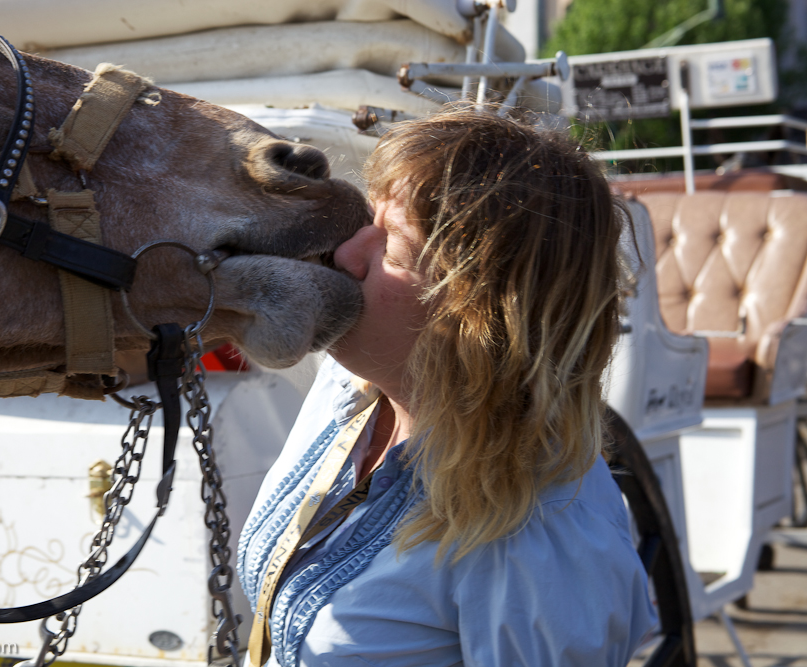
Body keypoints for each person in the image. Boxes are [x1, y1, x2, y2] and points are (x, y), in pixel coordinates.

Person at [236, 107, 657, 667]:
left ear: (480, 316)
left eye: (390, 248)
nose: (345, 254)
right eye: (370, 221)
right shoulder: (352, 389)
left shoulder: (538, 537)